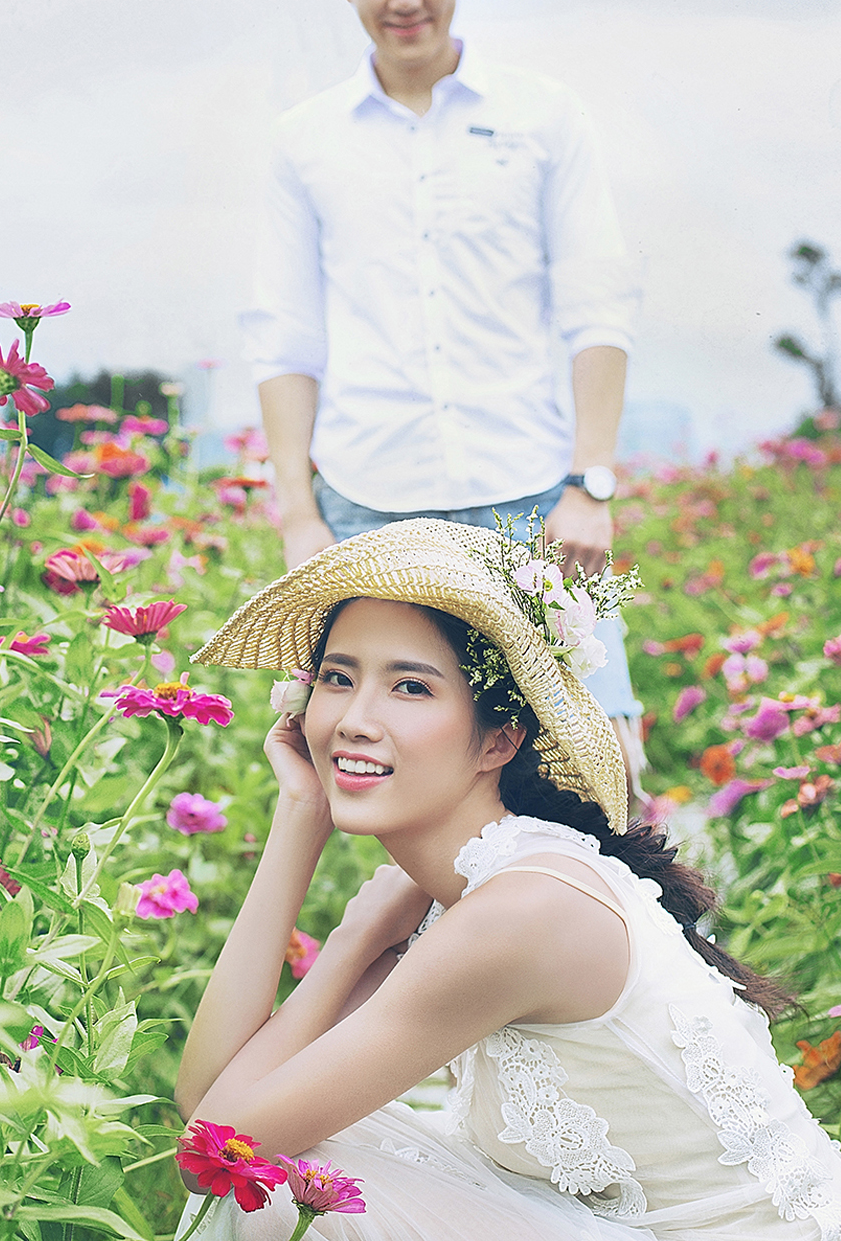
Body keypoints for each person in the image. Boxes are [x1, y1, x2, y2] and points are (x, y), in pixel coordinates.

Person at [174, 519, 841, 1240]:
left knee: (281, 1194)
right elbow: (209, 1102)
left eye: (410, 687)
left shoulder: (520, 911)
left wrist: (354, 939)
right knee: (298, 1167)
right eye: (338, 678)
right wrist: (300, 817)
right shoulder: (467, 887)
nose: (354, 720)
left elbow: (216, 1149)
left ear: (499, 739)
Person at [240, 0, 646, 787]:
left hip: (532, 499)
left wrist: (590, 483)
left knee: (604, 768)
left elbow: (597, 305)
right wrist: (299, 516)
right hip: (368, 500)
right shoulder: (306, 141)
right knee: (393, 780)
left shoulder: (544, 118)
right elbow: (284, 334)